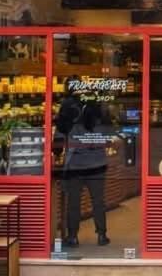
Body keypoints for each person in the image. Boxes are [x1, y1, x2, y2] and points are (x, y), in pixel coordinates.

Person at [61, 102, 112, 247]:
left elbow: (70, 150)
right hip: (97, 168)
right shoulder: (102, 128)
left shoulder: (75, 127)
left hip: (76, 169)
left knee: (73, 204)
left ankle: (73, 237)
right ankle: (102, 235)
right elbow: (108, 143)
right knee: (98, 202)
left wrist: (65, 169)